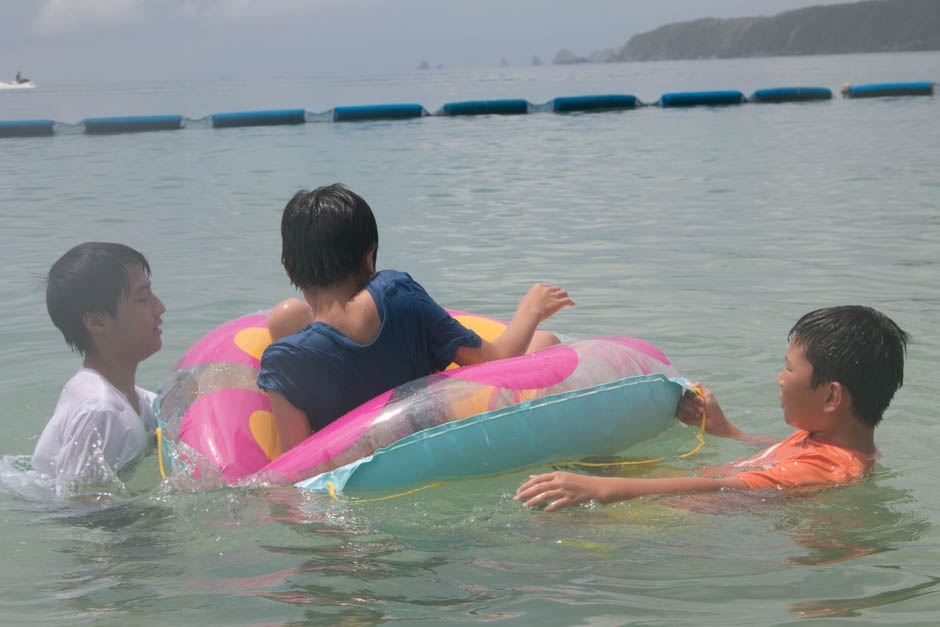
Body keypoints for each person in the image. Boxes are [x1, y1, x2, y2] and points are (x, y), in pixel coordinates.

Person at [257, 183, 574, 457]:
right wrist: (530, 310)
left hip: (355, 471)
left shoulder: (283, 358)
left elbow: (296, 466)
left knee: (287, 316)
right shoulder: (398, 295)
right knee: (546, 342)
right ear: (369, 255)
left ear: (288, 268)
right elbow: (495, 359)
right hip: (430, 450)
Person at [516, 306, 909, 512]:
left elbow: (725, 487)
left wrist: (606, 490)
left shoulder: (828, 471)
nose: (779, 378)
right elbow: (780, 455)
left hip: (685, 514)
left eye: (789, 368)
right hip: (687, 494)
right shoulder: (832, 442)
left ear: (831, 397)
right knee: (593, 458)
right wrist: (727, 431)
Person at [32, 243, 165, 495]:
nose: (160, 308)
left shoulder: (137, 400)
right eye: (142, 298)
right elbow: (77, 505)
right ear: (97, 321)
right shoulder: (100, 411)